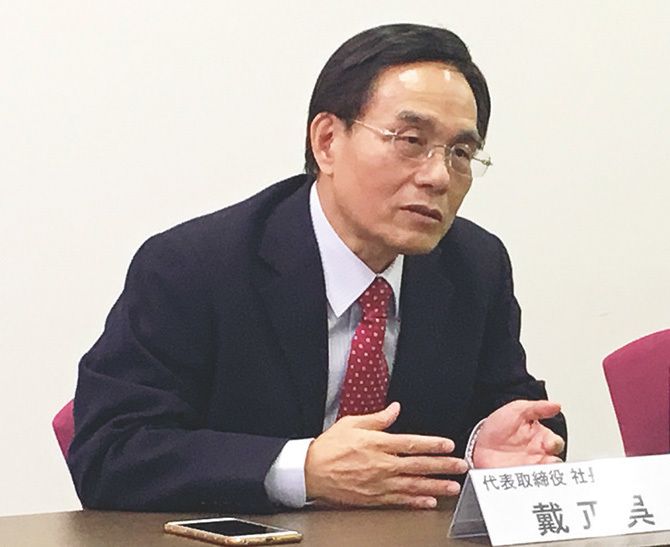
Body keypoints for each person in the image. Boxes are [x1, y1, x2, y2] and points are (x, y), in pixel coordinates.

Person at [68, 23, 567, 513]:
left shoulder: (473, 266)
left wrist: (487, 447)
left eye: (461, 152)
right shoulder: (194, 266)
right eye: (411, 140)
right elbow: (112, 451)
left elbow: (518, 413)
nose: (439, 175)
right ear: (327, 141)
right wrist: (302, 468)